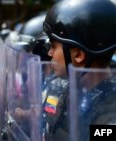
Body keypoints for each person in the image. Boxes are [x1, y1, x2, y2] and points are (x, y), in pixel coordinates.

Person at [41, 0, 116, 140]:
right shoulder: (66, 89)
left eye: (54, 46)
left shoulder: (111, 114)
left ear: (78, 54)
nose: (49, 53)